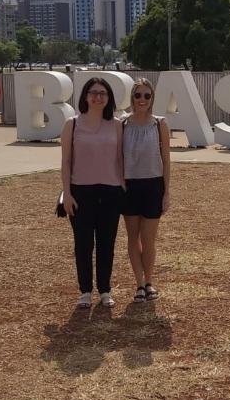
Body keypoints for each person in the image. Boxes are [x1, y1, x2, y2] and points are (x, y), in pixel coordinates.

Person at [60, 77, 124, 309]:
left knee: (107, 243)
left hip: (110, 191)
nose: (98, 97)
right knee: (83, 244)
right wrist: (67, 193)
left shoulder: (116, 125)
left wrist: (123, 186)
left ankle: (105, 290)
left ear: (109, 98)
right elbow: (66, 161)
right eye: (93, 92)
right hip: (81, 191)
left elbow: (120, 159)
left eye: (103, 93)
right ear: (85, 96)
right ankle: (85, 291)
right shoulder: (72, 124)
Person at [122, 78, 171, 303]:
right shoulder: (122, 124)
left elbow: (166, 160)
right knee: (133, 237)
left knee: (148, 238)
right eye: (138, 95)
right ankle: (139, 284)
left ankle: (150, 282)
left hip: (153, 185)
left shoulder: (159, 123)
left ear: (152, 99)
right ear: (132, 97)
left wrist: (166, 191)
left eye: (147, 96)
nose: (142, 100)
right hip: (129, 185)